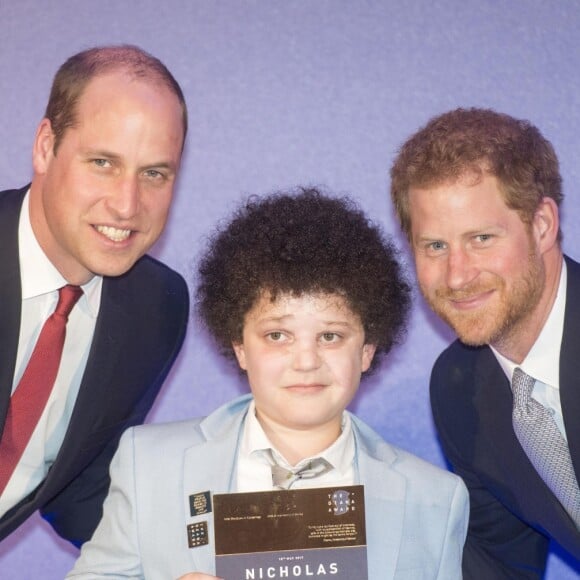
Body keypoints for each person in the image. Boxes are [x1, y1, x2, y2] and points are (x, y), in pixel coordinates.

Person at [66, 188, 468, 580]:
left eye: (330, 336)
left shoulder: (434, 499)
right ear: (241, 347)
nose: (307, 361)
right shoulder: (149, 465)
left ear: (366, 351)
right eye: (278, 335)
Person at [0, 45, 189, 547]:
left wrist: (182, 560)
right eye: (103, 162)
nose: (127, 205)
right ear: (45, 147)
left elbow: (82, 491)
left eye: (154, 174)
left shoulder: (157, 306)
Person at [390, 107, 580, 577]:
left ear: (541, 226)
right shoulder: (458, 386)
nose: (457, 275)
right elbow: (498, 562)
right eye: (435, 246)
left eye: (480, 238)